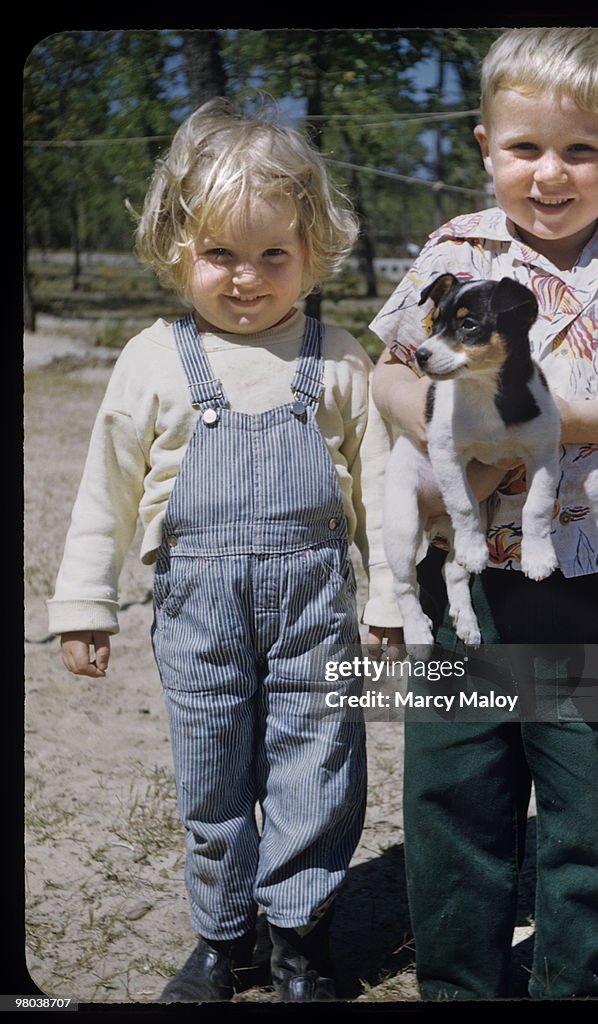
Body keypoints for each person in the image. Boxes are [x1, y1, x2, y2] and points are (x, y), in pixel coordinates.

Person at [48, 97, 401, 1003]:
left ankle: (300, 942)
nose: (246, 279)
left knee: (316, 766)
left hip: (315, 613)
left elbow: (384, 494)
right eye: (220, 254)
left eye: (272, 255)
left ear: (312, 253)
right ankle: (224, 939)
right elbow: (106, 492)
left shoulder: (338, 361)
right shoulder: (153, 360)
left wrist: (389, 601)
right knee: (211, 773)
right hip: (197, 616)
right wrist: (85, 604)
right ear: (177, 250)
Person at [369, 27, 598, 999]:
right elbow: (387, 363)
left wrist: (571, 415)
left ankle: (580, 980)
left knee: (586, 798)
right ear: (482, 143)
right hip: (460, 572)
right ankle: (459, 981)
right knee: (453, 794)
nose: (549, 174)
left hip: (590, 577)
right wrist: (437, 416)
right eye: (524, 148)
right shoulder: (454, 249)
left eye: (580, 150)